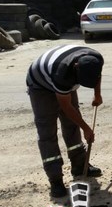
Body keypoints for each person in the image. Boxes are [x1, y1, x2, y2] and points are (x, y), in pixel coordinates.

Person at [26, 45, 104, 198]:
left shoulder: (96, 59)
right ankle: (55, 180)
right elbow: (66, 107)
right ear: (76, 68)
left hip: (63, 80)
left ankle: (79, 165)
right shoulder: (62, 74)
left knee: (72, 124)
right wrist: (86, 128)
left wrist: (97, 94)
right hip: (40, 86)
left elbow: (97, 76)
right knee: (47, 131)